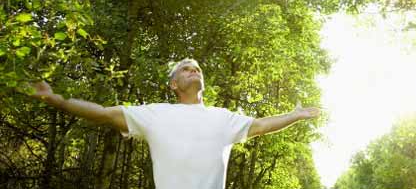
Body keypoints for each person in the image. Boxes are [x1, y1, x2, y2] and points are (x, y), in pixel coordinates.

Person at [31, 58, 320, 189]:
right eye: (186, 68)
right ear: (173, 84)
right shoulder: (155, 114)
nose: (193, 70)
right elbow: (104, 113)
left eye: (197, 69)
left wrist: (294, 116)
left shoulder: (223, 118)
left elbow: (260, 125)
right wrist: (58, 101)